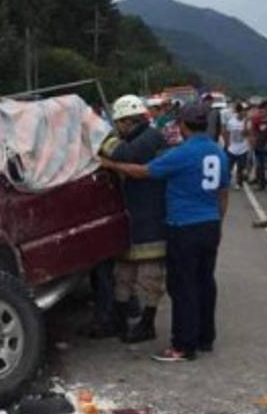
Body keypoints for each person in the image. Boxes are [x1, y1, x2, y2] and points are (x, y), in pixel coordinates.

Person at [99, 102, 229, 363]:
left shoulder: (182, 154)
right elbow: (223, 194)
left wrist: (109, 164)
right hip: (210, 225)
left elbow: (142, 171)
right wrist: (219, 223)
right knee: (205, 282)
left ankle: (182, 345)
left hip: (184, 227)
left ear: (183, 126)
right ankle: (205, 337)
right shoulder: (218, 153)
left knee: (182, 286)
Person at [100, 95, 167, 343]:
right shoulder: (140, 136)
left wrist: (103, 143)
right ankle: (119, 323)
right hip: (134, 218)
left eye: (119, 124)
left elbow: (123, 154)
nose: (117, 128)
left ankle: (147, 324)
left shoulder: (150, 137)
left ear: (127, 121)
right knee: (123, 274)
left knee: (149, 276)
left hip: (150, 217)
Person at [221, 102, 250, 190]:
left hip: (243, 149)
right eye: (243, 111)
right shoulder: (231, 122)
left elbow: (246, 134)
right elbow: (226, 132)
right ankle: (227, 182)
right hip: (232, 149)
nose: (245, 113)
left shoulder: (247, 122)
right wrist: (227, 143)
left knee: (240, 168)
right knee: (228, 167)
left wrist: (245, 123)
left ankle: (239, 183)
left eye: (246, 111)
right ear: (239, 112)